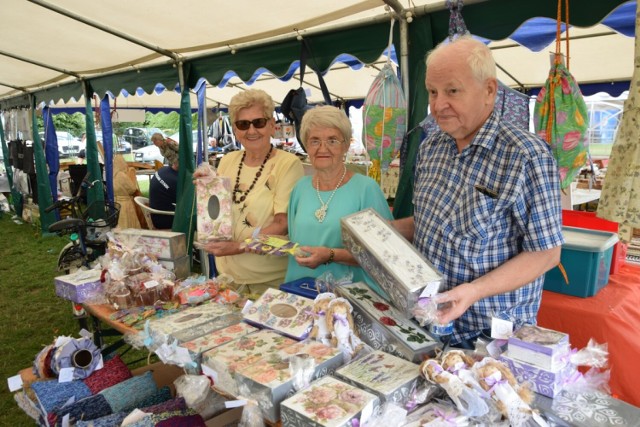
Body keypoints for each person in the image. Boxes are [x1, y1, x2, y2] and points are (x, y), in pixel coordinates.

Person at [392, 36, 564, 348]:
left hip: (490, 338)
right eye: (432, 92)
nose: (438, 104)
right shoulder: (431, 146)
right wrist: (379, 232)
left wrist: (474, 290)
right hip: (428, 321)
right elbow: (429, 224)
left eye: (452, 91)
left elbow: (546, 253)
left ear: (489, 91)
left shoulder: (526, 155)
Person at [199, 89, 304, 295]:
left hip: (267, 281)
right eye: (243, 124)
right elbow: (219, 213)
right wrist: (207, 186)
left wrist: (238, 246)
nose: (251, 130)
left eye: (259, 122)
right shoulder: (229, 160)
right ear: (236, 130)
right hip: (227, 277)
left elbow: (282, 224)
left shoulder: (287, 164)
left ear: (272, 124)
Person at [286, 106, 393, 296]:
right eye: (315, 141)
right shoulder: (299, 188)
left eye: (332, 140)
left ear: (346, 145)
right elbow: (295, 240)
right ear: (306, 145)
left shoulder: (366, 189)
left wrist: (331, 255)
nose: (322, 148)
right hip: (299, 293)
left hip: (347, 301)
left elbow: (383, 254)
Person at [113, 154, 141, 229]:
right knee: (128, 225)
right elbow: (132, 189)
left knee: (120, 223)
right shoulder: (121, 175)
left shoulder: (111, 175)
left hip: (116, 203)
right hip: (125, 203)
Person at [149, 161, 178, 229]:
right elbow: (186, 202)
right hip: (165, 219)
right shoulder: (175, 180)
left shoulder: (162, 170)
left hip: (156, 215)